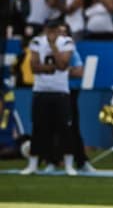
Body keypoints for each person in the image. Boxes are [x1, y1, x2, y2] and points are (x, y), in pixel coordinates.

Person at [21, 20, 78, 176]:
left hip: (61, 91)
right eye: (50, 30)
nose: (53, 33)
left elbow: (62, 65)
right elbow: (33, 67)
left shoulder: (66, 42)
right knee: (38, 128)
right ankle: (33, 164)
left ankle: (68, 165)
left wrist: (53, 47)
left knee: (65, 128)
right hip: (41, 90)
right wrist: (49, 68)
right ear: (46, 29)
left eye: (56, 30)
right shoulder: (36, 42)